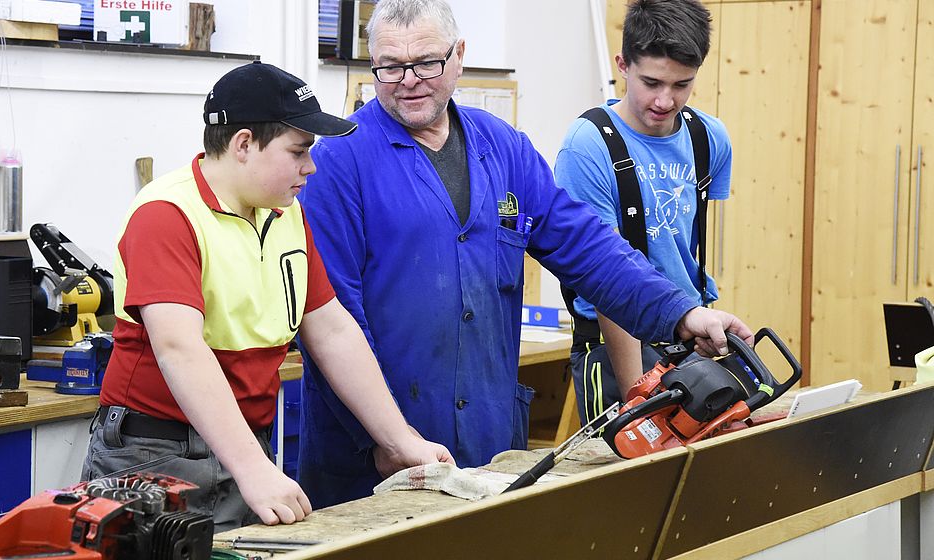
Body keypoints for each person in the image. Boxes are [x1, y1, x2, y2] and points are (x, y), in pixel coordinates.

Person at [297, 0, 752, 508]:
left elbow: (587, 247)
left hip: (486, 452)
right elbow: (332, 321)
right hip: (373, 467)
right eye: (390, 66)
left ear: (459, 55)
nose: (409, 80)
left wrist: (680, 312)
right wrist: (384, 437)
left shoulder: (504, 148)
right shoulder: (336, 163)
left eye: (427, 62)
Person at [80, 61, 453, 532]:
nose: (310, 167)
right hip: (154, 456)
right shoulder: (166, 215)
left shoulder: (284, 214)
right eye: (298, 151)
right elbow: (181, 348)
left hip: (244, 444)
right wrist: (254, 469)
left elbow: (333, 329)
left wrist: (399, 440)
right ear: (243, 145)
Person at [554, 0, 731, 427]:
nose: (665, 100)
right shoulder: (588, 145)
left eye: (682, 85)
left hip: (689, 335)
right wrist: (638, 392)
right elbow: (602, 277)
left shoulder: (710, 138)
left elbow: (686, 247)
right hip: (616, 345)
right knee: (626, 479)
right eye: (651, 82)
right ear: (623, 65)